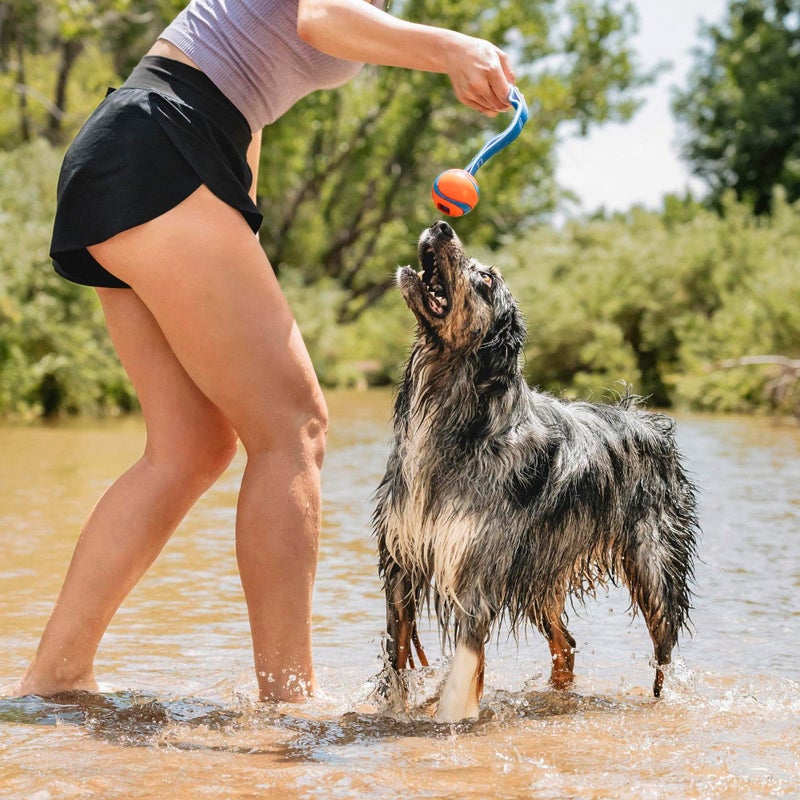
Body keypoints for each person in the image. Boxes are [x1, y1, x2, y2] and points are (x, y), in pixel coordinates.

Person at [11, 0, 516, 702]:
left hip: (150, 150)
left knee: (189, 447)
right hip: (164, 144)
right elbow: (320, 20)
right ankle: (289, 703)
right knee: (294, 428)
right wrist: (452, 48)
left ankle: (55, 679)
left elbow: (250, 104)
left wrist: (240, 231)